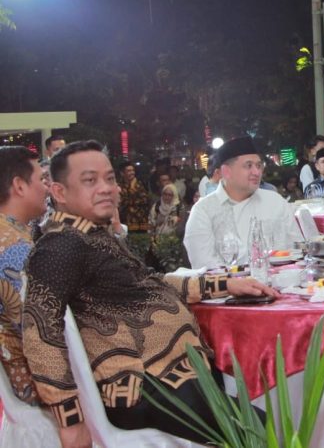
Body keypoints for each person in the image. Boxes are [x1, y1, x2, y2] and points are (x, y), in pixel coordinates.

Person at [22, 140, 277, 448]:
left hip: (170, 373)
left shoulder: (91, 235)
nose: (106, 188)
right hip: (146, 384)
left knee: (257, 410)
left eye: (110, 178)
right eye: (90, 181)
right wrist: (70, 421)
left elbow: (150, 282)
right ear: (59, 192)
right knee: (262, 430)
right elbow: (39, 330)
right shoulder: (60, 246)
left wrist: (223, 285)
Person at [184, 136, 303, 269]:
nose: (256, 172)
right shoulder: (204, 210)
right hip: (228, 282)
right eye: (248, 166)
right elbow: (203, 265)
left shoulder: (275, 202)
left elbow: (297, 249)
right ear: (226, 171)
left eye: (259, 166)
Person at [0, 146, 48, 404]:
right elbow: (40, 332)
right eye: (42, 179)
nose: (47, 187)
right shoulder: (14, 249)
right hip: (33, 385)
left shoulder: (13, 233)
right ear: (19, 185)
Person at [118, 161, 150, 232]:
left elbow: (145, 200)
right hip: (126, 223)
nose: (132, 172)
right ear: (122, 173)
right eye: (129, 171)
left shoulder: (139, 184)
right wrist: (132, 189)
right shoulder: (119, 187)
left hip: (142, 222)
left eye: (133, 170)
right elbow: (122, 203)